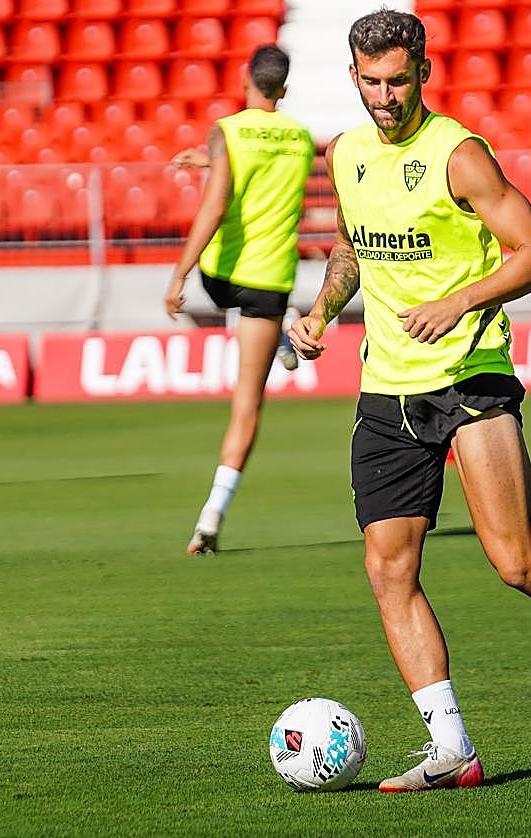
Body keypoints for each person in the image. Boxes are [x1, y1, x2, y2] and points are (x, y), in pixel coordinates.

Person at [287, 10, 531, 792]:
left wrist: (460, 301)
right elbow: (350, 246)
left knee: (518, 563)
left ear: (423, 71)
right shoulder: (347, 153)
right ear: (353, 77)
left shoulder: (459, 155)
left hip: (469, 381)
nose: (385, 96)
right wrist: (321, 312)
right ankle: (452, 749)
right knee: (387, 570)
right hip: (385, 389)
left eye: (399, 80)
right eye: (371, 81)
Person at [165, 44, 316, 555]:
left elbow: (213, 205)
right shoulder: (299, 135)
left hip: (221, 278)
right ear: (285, 89)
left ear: (245, 77)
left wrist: (180, 272)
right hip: (270, 286)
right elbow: (270, 154)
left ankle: (278, 334)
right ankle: (211, 515)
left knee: (218, 289)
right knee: (247, 403)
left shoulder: (226, 130)